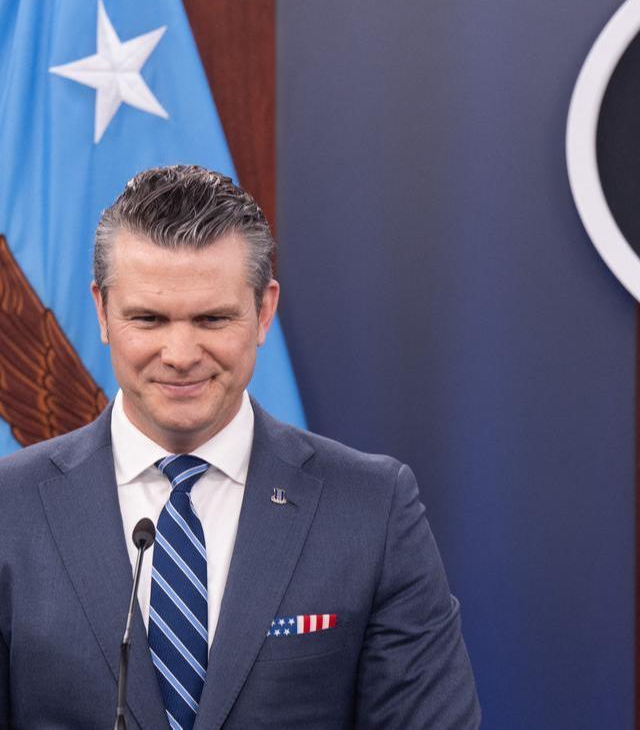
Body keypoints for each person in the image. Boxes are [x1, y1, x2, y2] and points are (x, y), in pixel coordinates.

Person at [0, 165, 480, 728]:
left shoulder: (372, 509)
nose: (180, 353)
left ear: (263, 311)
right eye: (149, 319)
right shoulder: (11, 508)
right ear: (103, 312)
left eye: (212, 318)